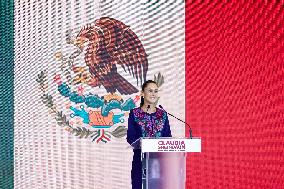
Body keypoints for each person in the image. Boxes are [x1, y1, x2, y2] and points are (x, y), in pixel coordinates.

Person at [127, 80, 172, 189]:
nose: (153, 94)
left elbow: (168, 137)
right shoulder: (135, 113)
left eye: (156, 91)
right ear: (142, 93)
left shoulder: (163, 114)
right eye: (150, 91)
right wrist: (142, 143)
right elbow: (131, 137)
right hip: (140, 161)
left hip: (159, 162)